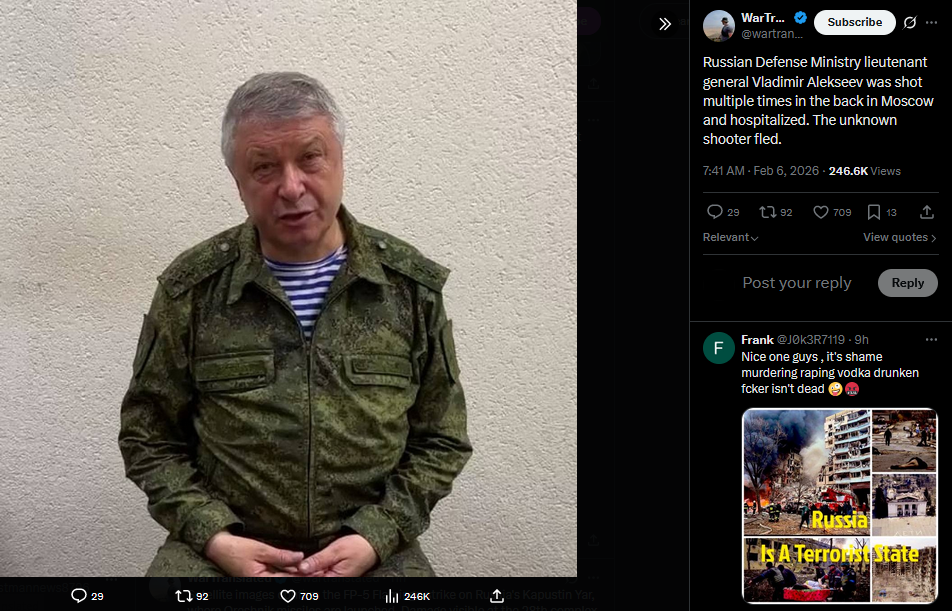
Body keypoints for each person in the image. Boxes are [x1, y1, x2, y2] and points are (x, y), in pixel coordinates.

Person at [118, 72, 473, 577]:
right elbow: (148, 437)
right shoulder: (192, 291)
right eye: (264, 167)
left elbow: (441, 440)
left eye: (310, 158)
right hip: (225, 550)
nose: (291, 187)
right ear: (237, 181)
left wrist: (377, 535)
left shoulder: (407, 288)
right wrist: (213, 535)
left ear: (339, 160)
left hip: (372, 552)